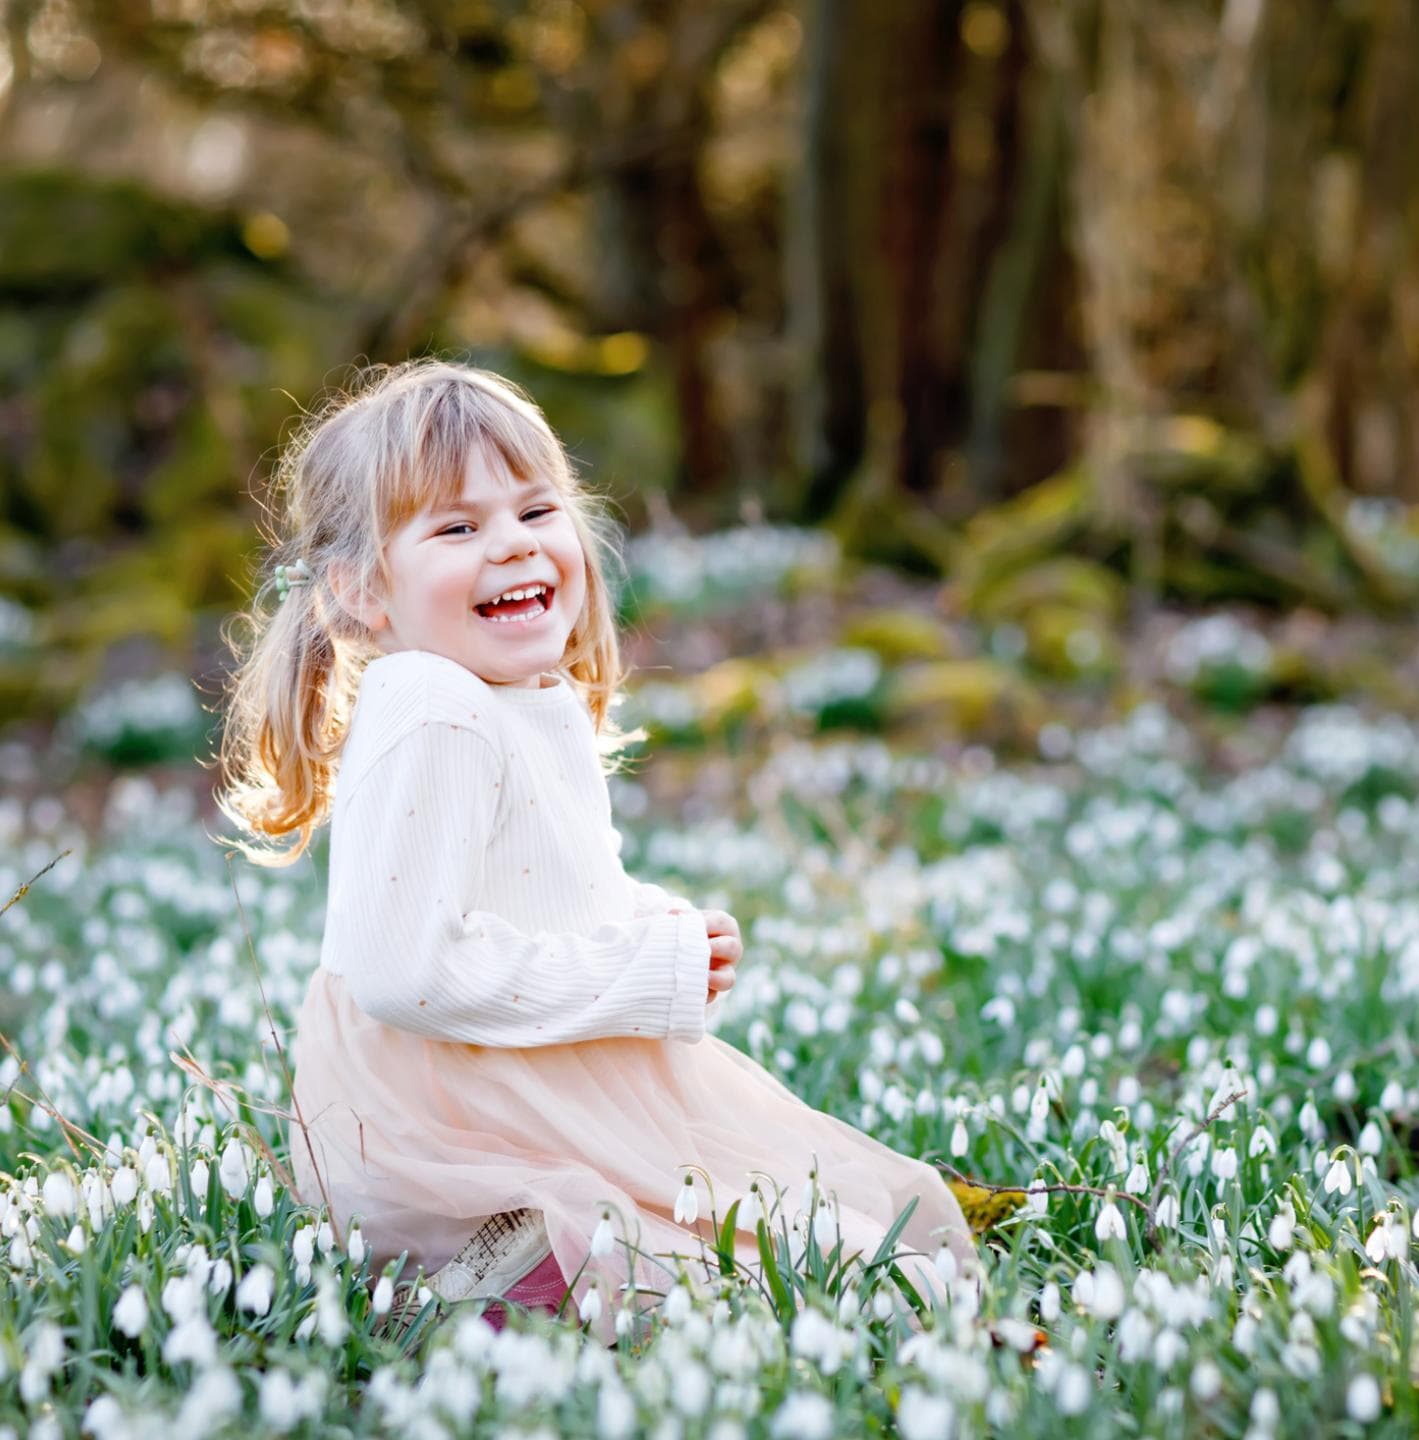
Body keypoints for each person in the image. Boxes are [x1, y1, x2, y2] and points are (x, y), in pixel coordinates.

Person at [212, 357, 978, 1344]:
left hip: (524, 1080)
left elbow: (547, 891)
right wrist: (636, 973)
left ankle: (541, 1268)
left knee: (865, 1254)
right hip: (456, 1122)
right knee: (820, 1289)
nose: (512, 544)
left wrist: (648, 924)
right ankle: (500, 1276)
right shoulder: (431, 706)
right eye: (456, 528)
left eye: (536, 511)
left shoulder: (512, 698)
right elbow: (406, 971)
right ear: (361, 588)